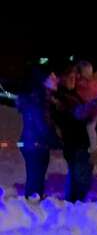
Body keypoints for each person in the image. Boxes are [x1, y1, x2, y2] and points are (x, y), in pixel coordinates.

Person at [55, 66, 97, 202]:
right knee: (81, 181)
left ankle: (72, 207)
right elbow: (78, 113)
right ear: (63, 78)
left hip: (78, 143)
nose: (74, 80)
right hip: (76, 144)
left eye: (75, 77)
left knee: (76, 178)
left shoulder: (72, 95)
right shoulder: (63, 96)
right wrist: (96, 103)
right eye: (70, 77)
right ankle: (76, 207)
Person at [15, 66, 62, 199]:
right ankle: (33, 203)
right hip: (35, 144)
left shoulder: (41, 98)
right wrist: (55, 141)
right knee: (35, 177)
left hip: (34, 143)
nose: (56, 80)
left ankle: (35, 200)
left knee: (36, 176)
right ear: (44, 82)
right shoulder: (39, 100)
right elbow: (42, 125)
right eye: (51, 78)